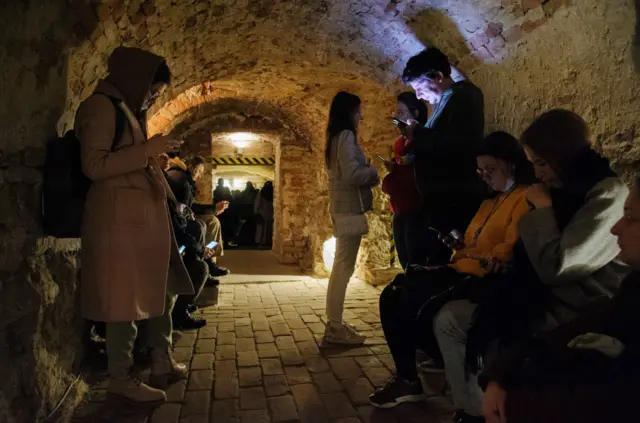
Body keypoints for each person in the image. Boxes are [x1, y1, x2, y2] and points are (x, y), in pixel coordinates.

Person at [431, 110, 628, 423]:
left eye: (540, 162)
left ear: (560, 155)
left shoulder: (606, 194)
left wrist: (544, 209)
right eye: (533, 163)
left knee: (500, 333)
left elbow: (559, 265)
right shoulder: (562, 190)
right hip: (544, 296)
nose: (537, 174)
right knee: (449, 317)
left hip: (579, 306)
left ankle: (498, 405)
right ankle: (472, 409)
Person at [370, 131, 535, 410]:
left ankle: (421, 374)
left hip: (481, 277)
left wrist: (470, 254)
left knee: (412, 301)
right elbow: (474, 243)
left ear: (512, 163)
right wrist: (459, 244)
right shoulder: (489, 201)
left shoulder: (525, 198)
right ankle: (409, 378)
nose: (483, 175)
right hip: (462, 267)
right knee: (394, 293)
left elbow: (507, 250)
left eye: (490, 169)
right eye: (480, 170)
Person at [76, 47, 192, 406]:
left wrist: (151, 154)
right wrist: (146, 151)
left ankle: (161, 358)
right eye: (152, 91)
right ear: (134, 80)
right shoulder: (101, 107)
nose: (153, 98)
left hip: (138, 223)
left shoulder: (127, 110)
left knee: (159, 288)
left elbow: (124, 160)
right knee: (123, 302)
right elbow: (94, 165)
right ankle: (120, 378)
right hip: (120, 224)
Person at [480, 174, 640, 423]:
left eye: (630, 218)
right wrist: (504, 371)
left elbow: (556, 266)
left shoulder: (605, 194)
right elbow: (592, 323)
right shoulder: (635, 285)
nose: (616, 228)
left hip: (571, 302)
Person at [402, 47, 486, 266]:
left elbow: (456, 144)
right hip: (441, 205)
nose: (419, 95)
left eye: (419, 87)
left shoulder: (465, 96)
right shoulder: (443, 103)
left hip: (456, 202)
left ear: (438, 77)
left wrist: (417, 133)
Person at [324, 91, 380, 345]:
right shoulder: (346, 136)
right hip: (348, 211)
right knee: (343, 269)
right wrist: (373, 172)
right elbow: (352, 175)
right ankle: (334, 327)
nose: (361, 116)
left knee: (341, 268)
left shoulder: (335, 137)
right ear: (349, 112)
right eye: (358, 111)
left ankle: (335, 323)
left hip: (341, 209)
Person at [382, 92, 429, 269]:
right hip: (399, 209)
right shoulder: (399, 144)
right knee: (405, 260)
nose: (396, 118)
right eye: (396, 113)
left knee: (416, 261)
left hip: (417, 209)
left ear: (415, 113)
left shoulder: (424, 140)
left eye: (401, 113)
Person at [166, 156, 229, 279]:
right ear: (193, 168)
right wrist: (214, 209)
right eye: (199, 171)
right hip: (178, 220)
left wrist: (214, 209)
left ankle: (209, 258)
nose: (199, 176)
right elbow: (188, 208)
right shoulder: (183, 182)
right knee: (209, 224)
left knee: (213, 221)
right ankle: (207, 261)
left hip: (180, 215)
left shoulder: (180, 177)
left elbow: (188, 206)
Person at [255, 181, 274, 248]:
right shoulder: (273, 193)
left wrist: (256, 211)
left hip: (262, 212)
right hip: (270, 213)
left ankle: (261, 243)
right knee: (269, 228)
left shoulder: (261, 193)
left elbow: (258, 203)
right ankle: (269, 242)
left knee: (262, 229)